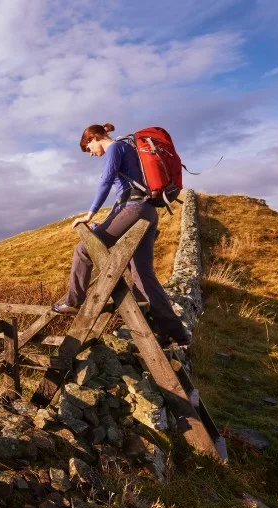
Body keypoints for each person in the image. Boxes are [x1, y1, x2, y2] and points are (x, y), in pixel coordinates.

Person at [51, 122, 191, 346]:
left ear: (94, 137)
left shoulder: (115, 148)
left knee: (84, 250)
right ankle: (174, 332)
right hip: (147, 212)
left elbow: (106, 181)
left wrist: (89, 215)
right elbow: (125, 192)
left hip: (133, 209)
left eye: (89, 149)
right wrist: (103, 224)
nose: (92, 154)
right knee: (143, 275)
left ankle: (73, 301)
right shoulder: (130, 148)